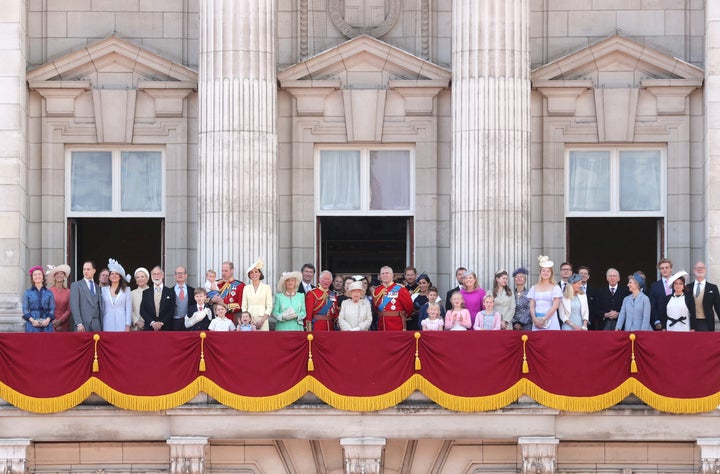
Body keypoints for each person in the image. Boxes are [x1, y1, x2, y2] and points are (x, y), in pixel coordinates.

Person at [372, 265, 413, 331]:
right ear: (380, 276)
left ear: (392, 275)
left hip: (396, 325)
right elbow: (376, 308)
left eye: (387, 273)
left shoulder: (400, 289)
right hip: (381, 325)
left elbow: (409, 308)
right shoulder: (377, 290)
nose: (385, 275)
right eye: (383, 273)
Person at [528, 255, 562, 331]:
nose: (545, 273)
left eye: (548, 271)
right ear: (540, 272)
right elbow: (532, 306)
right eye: (543, 270)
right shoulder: (534, 287)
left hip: (551, 319)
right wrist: (534, 319)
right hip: (536, 321)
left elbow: (555, 306)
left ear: (551, 273)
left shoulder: (555, 287)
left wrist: (544, 319)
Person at [70, 261, 104, 332]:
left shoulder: (98, 288)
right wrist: (79, 323)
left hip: (97, 325)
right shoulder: (76, 285)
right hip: (83, 325)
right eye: (84, 269)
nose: (85, 271)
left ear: (94, 271)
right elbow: (74, 306)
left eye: (88, 269)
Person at [140, 266, 176, 331]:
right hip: (150, 327)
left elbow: (172, 310)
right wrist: (152, 323)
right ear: (151, 277)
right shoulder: (146, 293)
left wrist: (161, 323)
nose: (156, 276)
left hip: (166, 327)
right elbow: (142, 310)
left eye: (158, 274)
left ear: (162, 276)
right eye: (154, 274)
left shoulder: (170, 292)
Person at [241, 258, 273, 331]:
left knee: (263, 340)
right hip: (249, 320)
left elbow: (269, 306)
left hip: (263, 319)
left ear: (260, 273)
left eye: (256, 272)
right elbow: (244, 305)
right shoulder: (246, 288)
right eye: (251, 272)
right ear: (249, 275)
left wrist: (262, 320)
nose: (254, 274)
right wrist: (246, 319)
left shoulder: (266, 287)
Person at [100, 258, 132, 332]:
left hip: (122, 323)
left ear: (120, 276)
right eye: (112, 274)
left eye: (116, 274)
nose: (114, 275)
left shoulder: (127, 290)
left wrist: (128, 325)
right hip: (107, 322)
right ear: (109, 277)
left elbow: (128, 309)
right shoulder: (103, 290)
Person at [688, 261, 720, 332]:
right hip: (691, 322)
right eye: (697, 268)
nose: (699, 269)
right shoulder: (688, 287)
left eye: (702, 268)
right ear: (694, 270)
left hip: (707, 321)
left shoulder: (713, 288)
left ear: (705, 270)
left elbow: (718, 306)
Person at [23, 265, 55, 332]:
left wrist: (47, 320)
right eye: (35, 275)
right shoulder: (27, 292)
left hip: (46, 323)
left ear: (43, 277)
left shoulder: (49, 293)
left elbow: (52, 308)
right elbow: (25, 309)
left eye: (39, 274)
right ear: (32, 278)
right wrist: (33, 321)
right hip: (32, 324)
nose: (37, 276)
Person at [649, 258, 674, 330]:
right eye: (662, 268)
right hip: (660, 322)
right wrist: (656, 321)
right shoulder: (654, 286)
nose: (664, 270)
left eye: (667, 267)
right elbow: (652, 305)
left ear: (671, 269)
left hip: (676, 320)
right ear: (660, 270)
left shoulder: (678, 283)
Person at [45, 264, 71, 332]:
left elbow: (69, 309)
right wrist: (53, 320)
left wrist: (60, 321)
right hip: (51, 322)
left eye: (61, 274)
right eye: (57, 274)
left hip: (64, 323)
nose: (59, 275)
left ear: (64, 276)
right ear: (54, 276)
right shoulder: (49, 291)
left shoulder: (68, 292)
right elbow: (46, 308)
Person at [171, 265, 194, 331]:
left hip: (189, 321)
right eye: (178, 273)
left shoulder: (192, 291)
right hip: (174, 322)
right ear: (175, 276)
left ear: (186, 275)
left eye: (182, 273)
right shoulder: (169, 291)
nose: (180, 275)